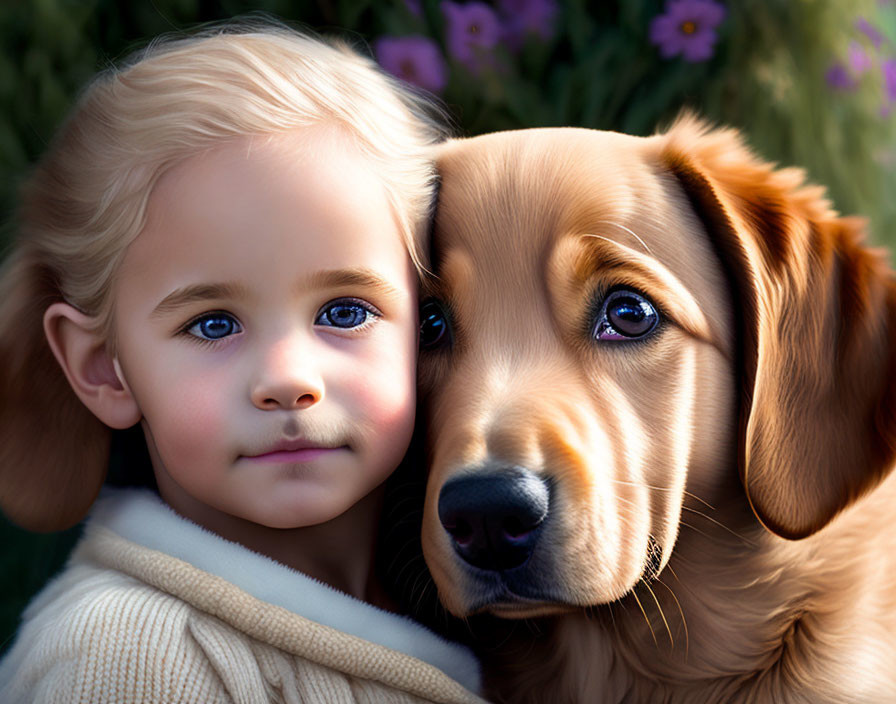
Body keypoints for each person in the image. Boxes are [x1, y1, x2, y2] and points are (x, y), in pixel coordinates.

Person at [0, 20, 483, 703]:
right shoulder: (126, 656)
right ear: (103, 367)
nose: (288, 378)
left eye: (344, 312)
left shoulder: (482, 609)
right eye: (213, 323)